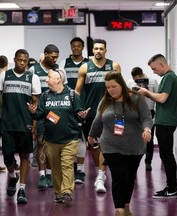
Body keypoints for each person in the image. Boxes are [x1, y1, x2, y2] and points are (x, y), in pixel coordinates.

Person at [88, 71, 152, 216]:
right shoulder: (105, 101)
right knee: (119, 176)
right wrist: (91, 136)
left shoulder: (136, 98)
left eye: (114, 86)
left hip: (135, 146)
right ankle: (119, 210)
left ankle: (126, 206)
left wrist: (147, 130)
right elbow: (98, 120)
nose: (111, 90)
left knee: (129, 178)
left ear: (122, 85)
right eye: (108, 87)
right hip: (111, 146)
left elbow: (146, 118)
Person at [27, 69, 90, 206]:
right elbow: (40, 115)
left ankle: (67, 191)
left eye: (49, 77)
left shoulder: (72, 95)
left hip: (70, 139)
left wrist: (82, 115)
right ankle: (59, 193)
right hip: (51, 140)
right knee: (55, 168)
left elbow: (79, 113)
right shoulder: (45, 96)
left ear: (58, 80)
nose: (46, 80)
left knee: (67, 164)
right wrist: (33, 112)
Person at [75, 39, 121, 193]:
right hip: (91, 113)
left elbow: (121, 89)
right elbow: (77, 91)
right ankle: (100, 172)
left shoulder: (113, 66)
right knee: (93, 144)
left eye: (101, 48)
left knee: (108, 144)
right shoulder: (84, 67)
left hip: (110, 112)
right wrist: (77, 109)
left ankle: (100, 175)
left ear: (106, 50)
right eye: (96, 48)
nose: (98, 51)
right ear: (92, 50)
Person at [0, 49, 41, 204]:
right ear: (14, 60)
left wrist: (34, 126)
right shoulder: (5, 75)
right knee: (8, 157)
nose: (22, 63)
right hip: (8, 123)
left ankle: (22, 188)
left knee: (24, 156)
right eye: (20, 60)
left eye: (25, 60)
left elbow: (35, 102)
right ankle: (12, 176)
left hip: (25, 123)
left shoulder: (33, 77)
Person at [138, 54, 177, 199]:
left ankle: (172, 189)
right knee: (165, 155)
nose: (154, 72)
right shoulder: (168, 77)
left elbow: (162, 98)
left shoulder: (169, 77)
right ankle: (170, 187)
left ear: (161, 65)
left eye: (154, 69)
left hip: (166, 123)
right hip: (164, 122)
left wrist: (146, 93)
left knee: (166, 155)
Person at [29, 44, 67, 190]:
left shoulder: (59, 70)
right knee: (40, 144)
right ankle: (42, 175)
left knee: (52, 145)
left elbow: (65, 91)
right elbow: (32, 95)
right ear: (45, 54)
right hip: (40, 113)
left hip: (55, 113)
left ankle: (50, 174)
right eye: (52, 56)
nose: (55, 59)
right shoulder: (34, 70)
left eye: (57, 56)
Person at [59, 37, 89, 184]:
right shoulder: (64, 63)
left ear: (83, 47)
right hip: (67, 106)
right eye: (73, 46)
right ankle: (70, 168)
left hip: (83, 104)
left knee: (82, 137)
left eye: (79, 46)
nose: (76, 48)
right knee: (70, 138)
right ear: (71, 47)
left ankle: (80, 170)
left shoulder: (89, 64)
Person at [126, 67, 158, 171]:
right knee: (133, 137)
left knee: (149, 138)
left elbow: (157, 96)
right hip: (134, 112)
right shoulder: (130, 83)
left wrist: (146, 90)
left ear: (142, 75)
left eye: (138, 79)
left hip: (149, 112)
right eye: (135, 79)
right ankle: (134, 162)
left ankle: (148, 162)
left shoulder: (152, 82)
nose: (136, 81)